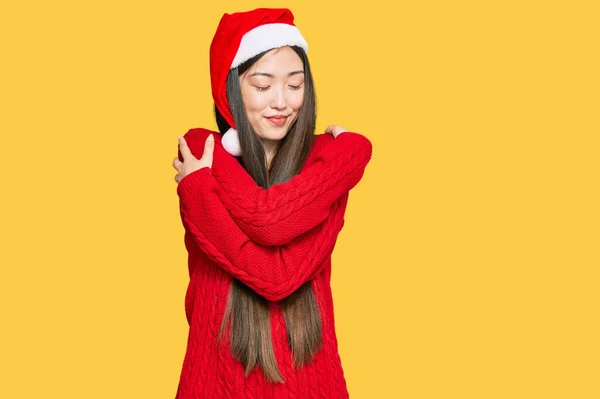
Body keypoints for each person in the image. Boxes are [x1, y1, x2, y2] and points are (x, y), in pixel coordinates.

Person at [171, 8, 373, 399]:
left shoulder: (324, 162)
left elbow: (278, 277)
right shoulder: (203, 149)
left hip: (309, 382)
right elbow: (268, 221)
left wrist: (346, 157)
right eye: (262, 86)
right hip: (214, 380)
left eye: (295, 85)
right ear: (230, 89)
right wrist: (355, 153)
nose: (281, 102)